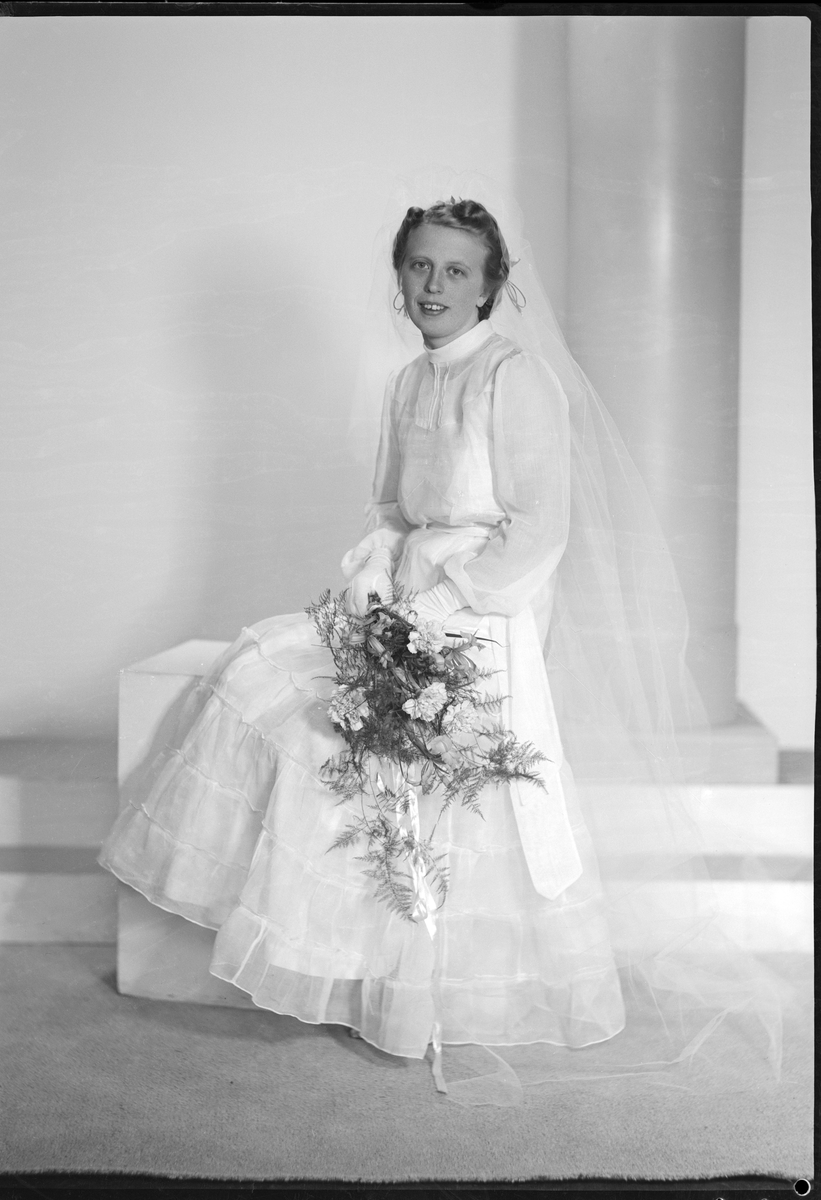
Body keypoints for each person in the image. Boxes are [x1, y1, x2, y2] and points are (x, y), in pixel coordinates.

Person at [99, 192, 781, 1107]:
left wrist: (442, 603)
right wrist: (380, 577)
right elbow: (392, 507)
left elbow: (539, 529)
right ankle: (359, 975)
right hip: (409, 601)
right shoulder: (409, 383)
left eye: (456, 270)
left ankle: (442, 991)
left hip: (486, 614)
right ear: (400, 274)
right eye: (419, 265)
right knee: (264, 679)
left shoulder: (514, 379)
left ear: (490, 285)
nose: (434, 285)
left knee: (419, 774)